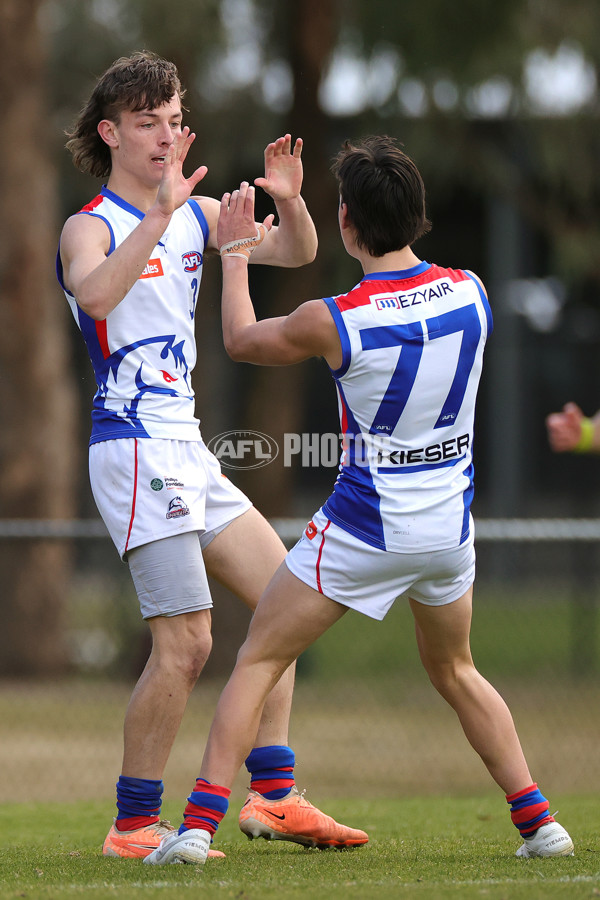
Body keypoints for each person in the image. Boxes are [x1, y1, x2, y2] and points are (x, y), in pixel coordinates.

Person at [143, 136, 575, 865]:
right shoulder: (473, 290)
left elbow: (243, 340)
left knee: (255, 661)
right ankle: (542, 825)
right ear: (420, 215)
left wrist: (239, 250)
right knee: (458, 671)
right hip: (447, 532)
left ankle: (192, 831)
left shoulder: (335, 317)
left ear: (346, 224)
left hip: (365, 529)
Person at [57, 50, 367, 860]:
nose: (166, 136)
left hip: (186, 447)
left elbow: (295, 255)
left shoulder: (194, 217)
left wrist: (293, 205)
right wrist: (159, 215)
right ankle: (132, 826)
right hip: (132, 446)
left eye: (173, 119)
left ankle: (273, 796)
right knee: (188, 643)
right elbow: (92, 295)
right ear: (111, 131)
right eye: (148, 123)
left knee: (285, 601)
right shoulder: (91, 225)